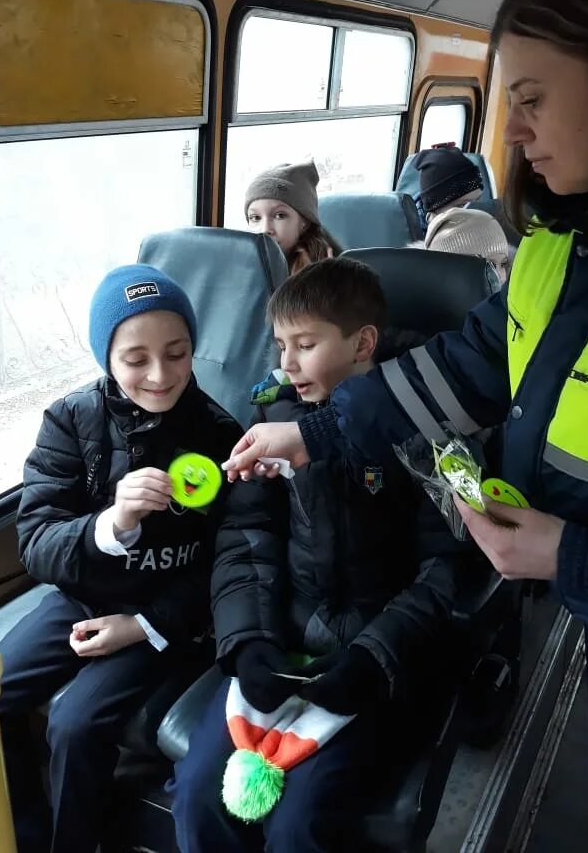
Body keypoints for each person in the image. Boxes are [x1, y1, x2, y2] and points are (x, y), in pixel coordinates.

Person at [222, 0, 588, 852]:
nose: (512, 134)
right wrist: (313, 433)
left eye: (532, 98)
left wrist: (569, 559)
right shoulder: (556, 250)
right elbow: (472, 366)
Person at [170, 258, 472, 852]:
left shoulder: (429, 429)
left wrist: (370, 659)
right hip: (281, 648)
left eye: (305, 345)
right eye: (281, 345)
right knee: (198, 797)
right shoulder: (273, 415)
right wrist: (248, 641)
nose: (286, 363)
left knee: (298, 825)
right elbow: (246, 540)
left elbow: (448, 567)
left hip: (377, 661)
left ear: (363, 344)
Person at [0, 264, 242, 853]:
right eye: (136, 360)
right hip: (86, 591)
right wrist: (111, 524)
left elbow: (227, 565)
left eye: (177, 353)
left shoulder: (218, 434)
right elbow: (36, 540)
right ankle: (22, 832)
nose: (160, 375)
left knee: (76, 724)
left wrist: (143, 626)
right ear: (107, 357)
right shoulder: (70, 420)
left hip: (163, 615)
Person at [411, 145, 510, 283]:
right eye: (461, 205)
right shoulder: (416, 260)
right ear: (435, 210)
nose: (472, 211)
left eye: (476, 203)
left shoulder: (497, 249)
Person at [245, 160, 343, 273]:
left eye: (279, 215)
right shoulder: (239, 264)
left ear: (305, 222)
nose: (265, 229)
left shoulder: (331, 271)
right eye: (256, 218)